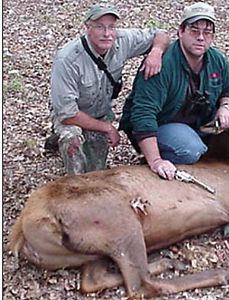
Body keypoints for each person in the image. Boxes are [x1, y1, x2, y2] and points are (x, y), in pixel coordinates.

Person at [119, 2, 229, 180]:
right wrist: (156, 161)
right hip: (161, 125)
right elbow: (142, 115)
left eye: (207, 32)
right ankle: (155, 163)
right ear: (181, 31)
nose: (200, 37)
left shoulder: (217, 59)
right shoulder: (161, 64)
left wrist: (225, 108)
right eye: (194, 30)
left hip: (198, 123)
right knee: (191, 149)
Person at [49, 2, 170, 175]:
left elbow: (161, 34)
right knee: (73, 144)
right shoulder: (67, 59)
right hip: (72, 114)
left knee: (96, 170)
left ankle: (60, 140)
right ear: (87, 27)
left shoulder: (122, 39)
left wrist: (156, 52)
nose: (107, 34)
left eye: (111, 27)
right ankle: (70, 172)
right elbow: (67, 114)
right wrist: (107, 127)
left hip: (99, 112)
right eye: (99, 27)